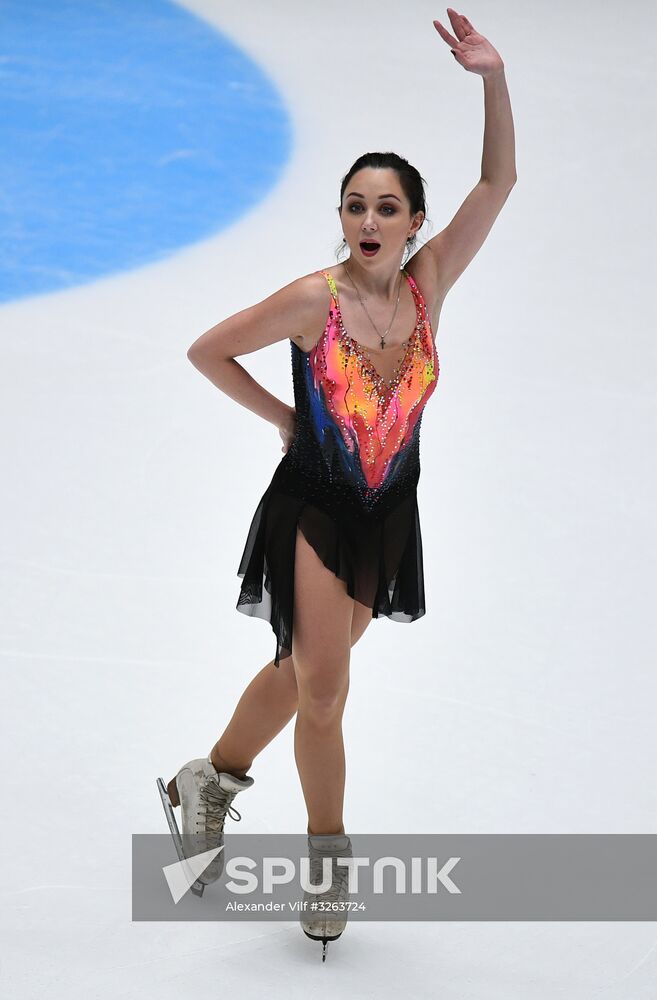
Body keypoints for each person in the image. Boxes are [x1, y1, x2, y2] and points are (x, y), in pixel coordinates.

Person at [159, 9, 517, 960]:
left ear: (414, 221)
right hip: (315, 506)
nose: (366, 221)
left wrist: (492, 77)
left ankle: (208, 781)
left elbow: (498, 181)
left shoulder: (430, 284)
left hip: (388, 511)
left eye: (385, 207)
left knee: (303, 670)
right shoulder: (313, 302)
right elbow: (207, 351)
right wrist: (283, 421)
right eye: (354, 204)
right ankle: (327, 857)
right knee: (324, 686)